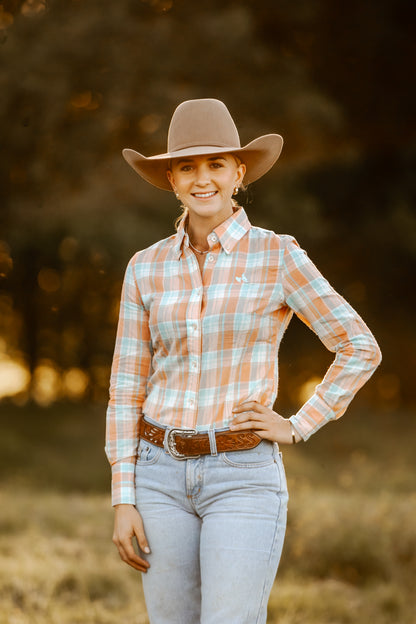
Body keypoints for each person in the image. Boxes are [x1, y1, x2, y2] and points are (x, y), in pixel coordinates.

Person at [105, 98, 381, 623]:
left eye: (215, 164)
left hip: (243, 477)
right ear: (171, 177)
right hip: (158, 476)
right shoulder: (145, 267)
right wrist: (124, 496)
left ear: (239, 172)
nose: (201, 178)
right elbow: (126, 387)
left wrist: (299, 424)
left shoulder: (277, 255)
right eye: (187, 166)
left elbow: (358, 345)